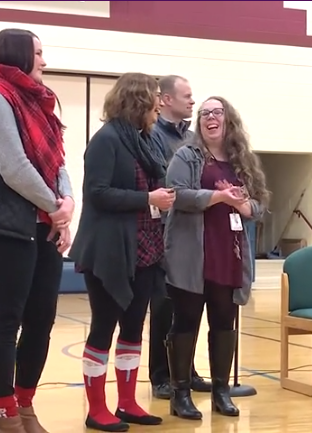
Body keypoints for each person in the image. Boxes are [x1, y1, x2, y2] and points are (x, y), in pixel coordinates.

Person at [0, 28, 74, 433]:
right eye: (38, 53)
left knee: (41, 320)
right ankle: (4, 414)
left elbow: (58, 162)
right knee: (7, 320)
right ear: (18, 54)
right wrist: (57, 209)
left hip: (42, 224)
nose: (44, 60)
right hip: (3, 226)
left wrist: (67, 204)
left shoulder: (39, 103)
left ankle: (25, 407)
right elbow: (15, 168)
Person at [69, 72, 174, 432]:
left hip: (145, 247)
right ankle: (96, 408)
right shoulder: (106, 140)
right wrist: (148, 199)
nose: (160, 105)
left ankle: (127, 402)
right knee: (103, 327)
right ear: (138, 100)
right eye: (155, 98)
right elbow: (97, 193)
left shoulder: (147, 141)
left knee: (133, 327)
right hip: (110, 250)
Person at [163, 96, 268, 420]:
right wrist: (217, 196)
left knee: (224, 322)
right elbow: (176, 194)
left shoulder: (242, 160)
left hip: (229, 253)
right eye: (204, 113)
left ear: (228, 119)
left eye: (216, 112)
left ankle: (221, 391)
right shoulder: (187, 155)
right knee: (187, 322)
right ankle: (180, 394)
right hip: (191, 254)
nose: (210, 117)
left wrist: (240, 204)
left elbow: (258, 206)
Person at [147, 74, 212, 400]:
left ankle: (185, 370)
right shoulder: (153, 135)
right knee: (164, 306)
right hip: (162, 232)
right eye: (186, 96)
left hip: (192, 231)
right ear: (165, 99)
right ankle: (161, 374)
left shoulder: (192, 138)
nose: (192, 101)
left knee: (190, 305)